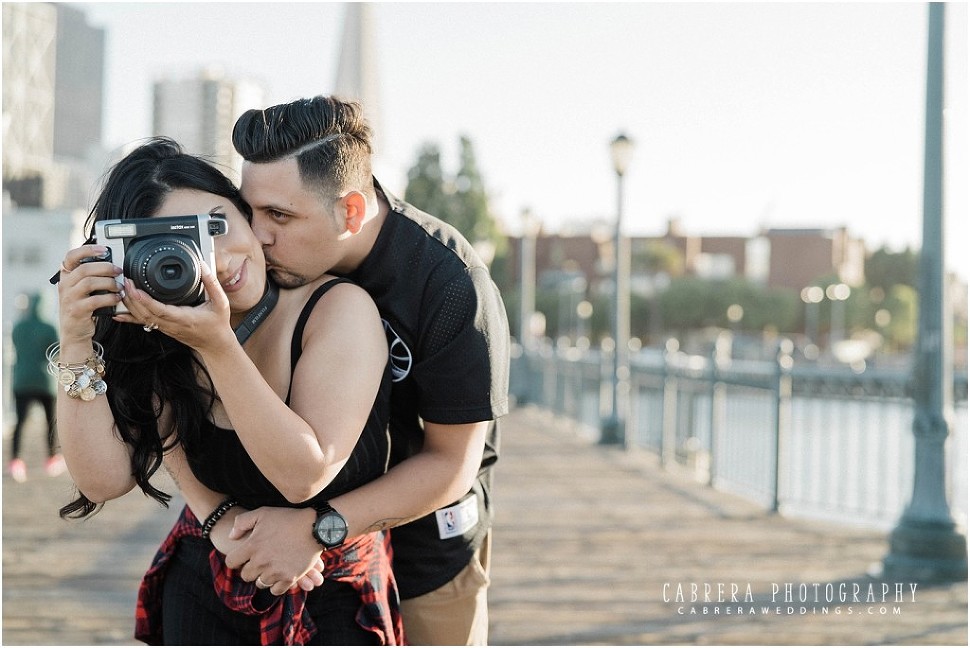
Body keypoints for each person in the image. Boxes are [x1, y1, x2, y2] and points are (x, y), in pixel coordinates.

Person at [53, 137, 404, 645]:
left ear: (246, 213)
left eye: (216, 226)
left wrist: (216, 345)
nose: (215, 261)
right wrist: (76, 342)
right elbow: (102, 481)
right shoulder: (163, 323)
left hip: (336, 592)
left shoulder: (334, 308)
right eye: (180, 247)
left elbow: (303, 474)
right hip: (207, 580)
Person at [222, 95, 510, 645]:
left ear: (350, 212)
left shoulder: (451, 287)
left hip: (424, 546)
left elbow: (451, 464)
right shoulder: (268, 264)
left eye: (279, 215)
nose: (256, 235)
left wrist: (319, 527)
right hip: (299, 553)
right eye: (250, 210)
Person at [9, 292, 64, 482]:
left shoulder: (18, 327)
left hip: (21, 380)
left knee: (19, 422)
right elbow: (57, 351)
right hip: (45, 381)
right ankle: (51, 459)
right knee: (50, 422)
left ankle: (16, 461)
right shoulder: (49, 327)